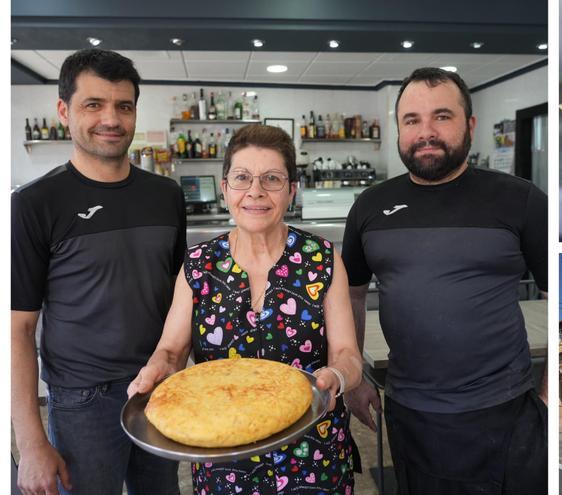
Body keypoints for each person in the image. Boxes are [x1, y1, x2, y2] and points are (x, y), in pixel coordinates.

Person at [342, 67, 548, 494]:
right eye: (412, 120)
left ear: (469, 124)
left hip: (505, 411)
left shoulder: (520, 200)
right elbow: (352, 296)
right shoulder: (370, 206)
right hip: (410, 412)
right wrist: (357, 378)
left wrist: (547, 397)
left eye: (442, 116)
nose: (426, 132)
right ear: (398, 129)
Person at [128, 124, 363, 494]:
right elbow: (171, 351)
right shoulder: (198, 264)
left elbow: (348, 353)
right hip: (225, 462)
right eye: (242, 178)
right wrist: (158, 368)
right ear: (225, 190)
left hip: (313, 458)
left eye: (272, 178)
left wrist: (338, 374)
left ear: (291, 191)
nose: (255, 191)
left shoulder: (322, 259)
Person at [11, 49, 185, 495]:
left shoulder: (166, 196)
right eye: (94, 105)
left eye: (123, 106)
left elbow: (179, 297)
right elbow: (17, 329)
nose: (111, 118)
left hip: (159, 388)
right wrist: (30, 441)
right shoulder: (34, 204)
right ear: (64, 111)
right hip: (82, 400)